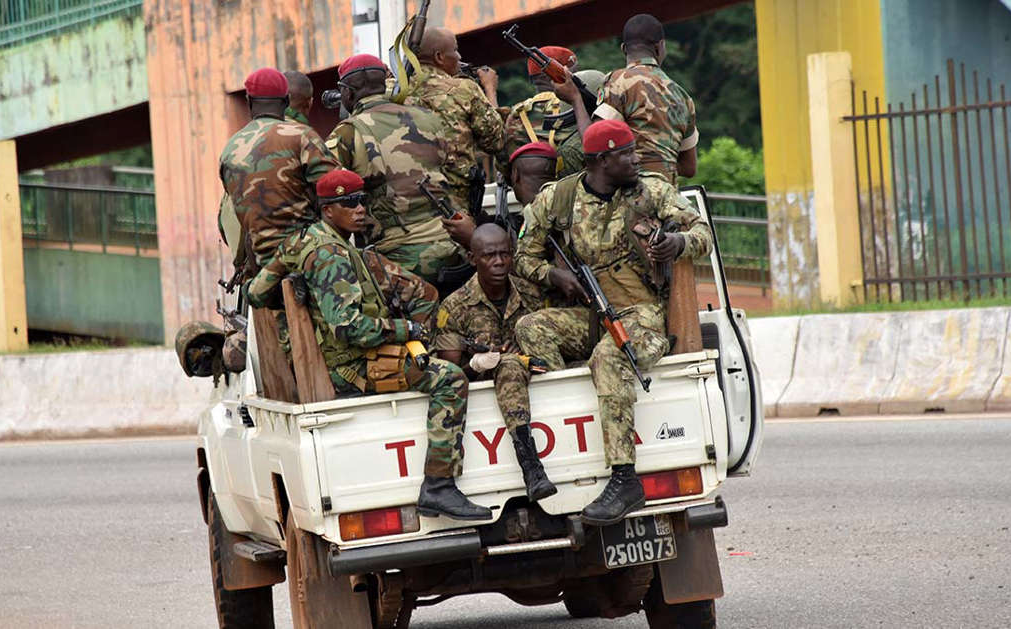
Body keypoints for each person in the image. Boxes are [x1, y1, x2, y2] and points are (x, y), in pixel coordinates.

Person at [513, 120, 712, 526]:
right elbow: (523, 255)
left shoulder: (650, 190)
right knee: (530, 328)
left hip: (643, 314)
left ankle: (624, 478)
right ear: (602, 160)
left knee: (610, 358)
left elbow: (704, 234)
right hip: (593, 312)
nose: (635, 159)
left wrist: (678, 243)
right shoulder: (559, 198)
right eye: (626, 153)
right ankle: (572, 443)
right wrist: (555, 276)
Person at [286, 168, 491, 521]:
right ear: (327, 210)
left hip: (365, 356)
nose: (360, 209)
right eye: (348, 203)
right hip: (352, 368)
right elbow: (349, 328)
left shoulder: (326, 244)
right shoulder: (330, 255)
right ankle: (438, 487)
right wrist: (405, 329)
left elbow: (260, 286)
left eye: (361, 200)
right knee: (450, 379)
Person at [326, 54, 474, 288]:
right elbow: (459, 173)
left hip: (398, 260)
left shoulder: (348, 132)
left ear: (348, 92)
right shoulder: (428, 118)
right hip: (455, 247)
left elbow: (325, 188)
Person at [434, 223, 556, 502]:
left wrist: (523, 350)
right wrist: (476, 364)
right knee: (509, 365)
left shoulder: (531, 293)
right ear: (472, 259)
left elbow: (555, 342)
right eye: (489, 256)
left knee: (513, 362)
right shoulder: (454, 307)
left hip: (541, 380)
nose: (499, 262)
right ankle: (532, 468)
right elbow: (449, 372)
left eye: (505, 254)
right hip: (483, 391)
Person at [219, 68, 337, 268]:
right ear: (285, 102)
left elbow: (228, 218)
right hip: (307, 259)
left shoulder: (230, 149)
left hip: (259, 266)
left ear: (248, 102)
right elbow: (337, 191)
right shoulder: (301, 136)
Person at [405, 27, 505, 214]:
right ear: (439, 57)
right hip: (455, 207)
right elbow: (495, 141)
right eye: (456, 50)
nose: (459, 57)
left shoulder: (395, 91)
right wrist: (490, 88)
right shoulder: (464, 89)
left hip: (407, 204)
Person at [592, 14, 698, 185]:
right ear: (660, 47)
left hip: (631, 197)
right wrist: (661, 167)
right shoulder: (683, 96)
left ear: (623, 49)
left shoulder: (617, 81)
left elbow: (596, 142)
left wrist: (575, 99)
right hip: (668, 200)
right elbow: (689, 167)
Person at [500, 46, 585, 179]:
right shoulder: (577, 105)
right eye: (574, 72)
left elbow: (504, 165)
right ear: (556, 73)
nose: (577, 77)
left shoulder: (517, 115)